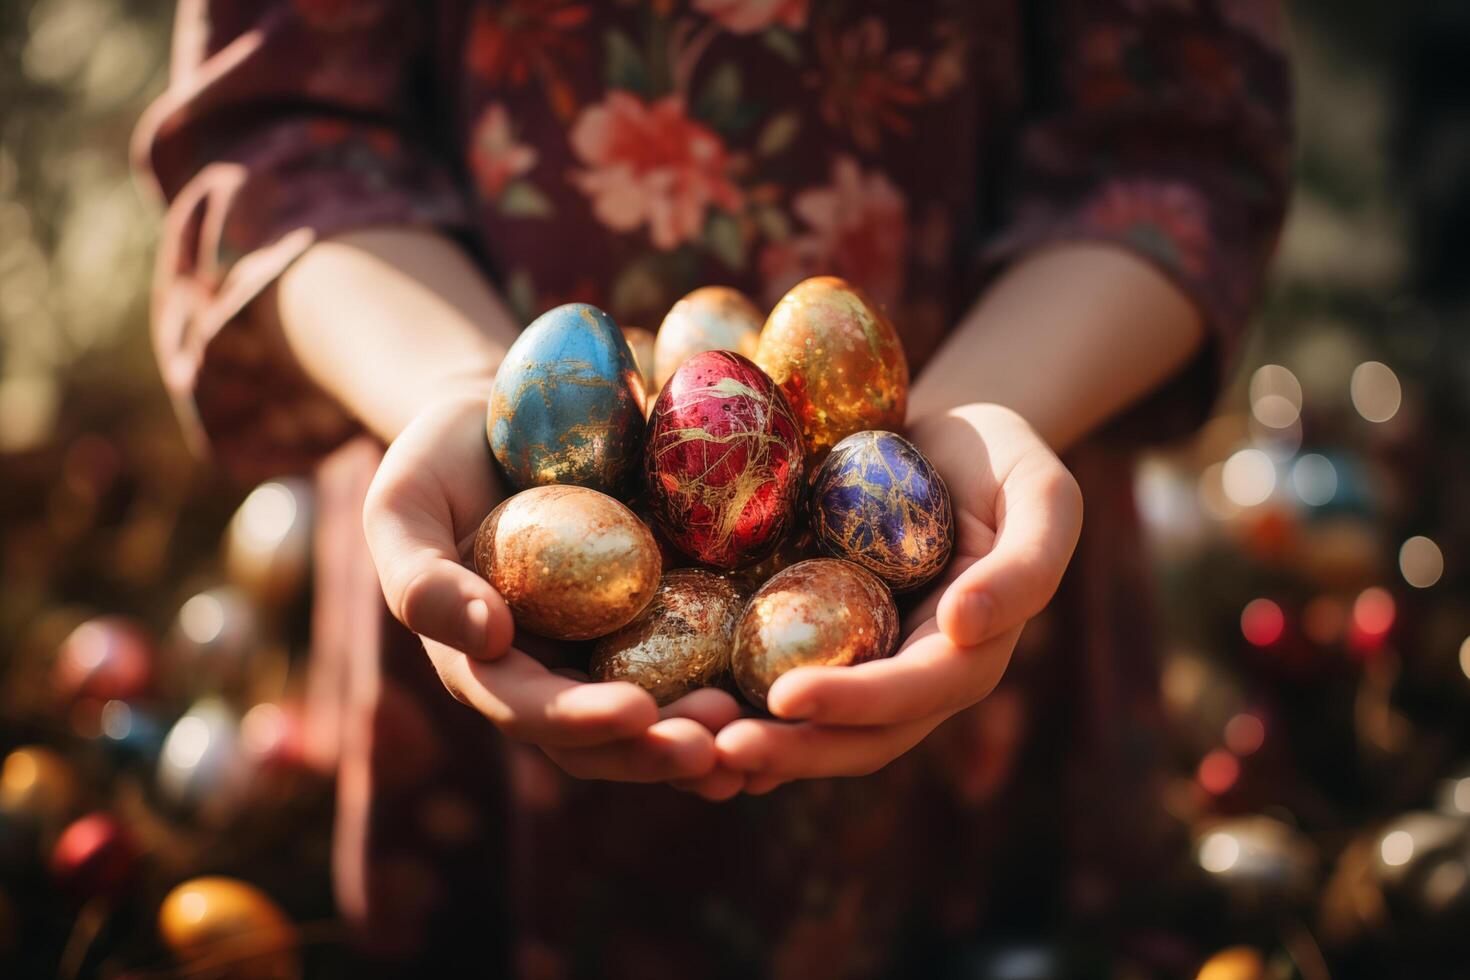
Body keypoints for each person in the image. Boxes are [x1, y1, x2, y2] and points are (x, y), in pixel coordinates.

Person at [135, 1, 1291, 975]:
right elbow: (278, 132)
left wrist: (981, 411)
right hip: (453, 401)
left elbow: (1178, 135)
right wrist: (463, 387)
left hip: (999, 431)